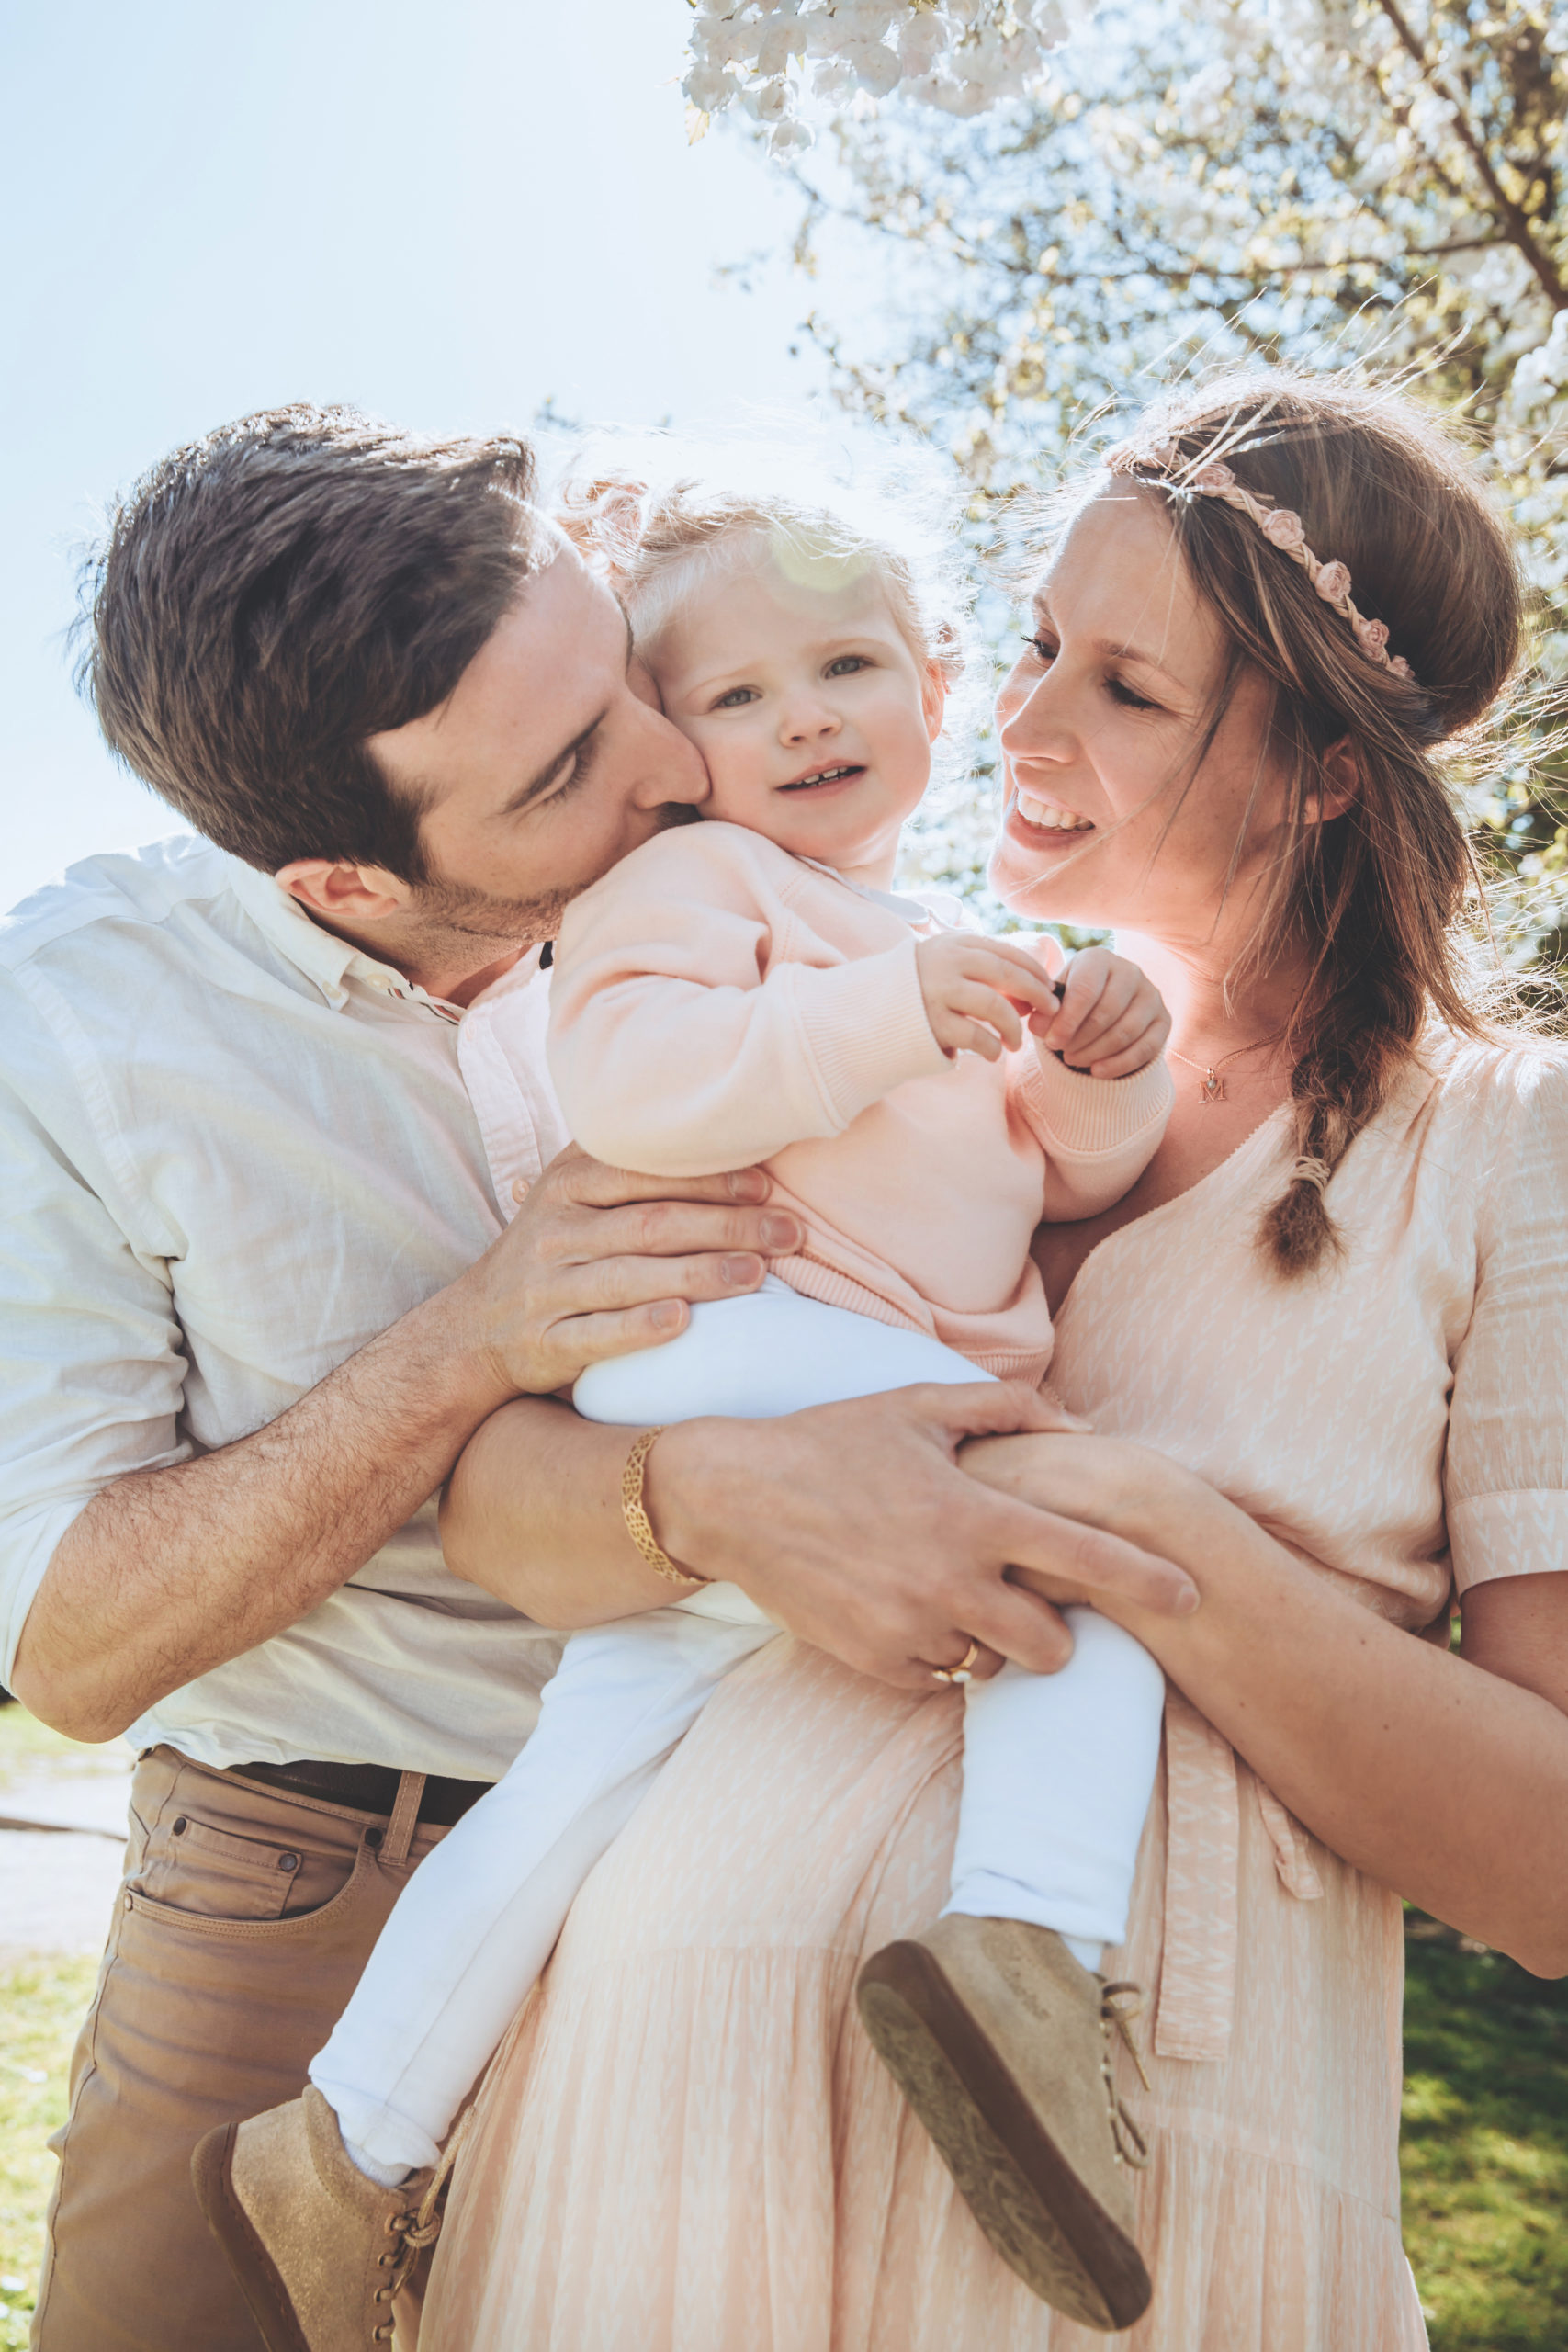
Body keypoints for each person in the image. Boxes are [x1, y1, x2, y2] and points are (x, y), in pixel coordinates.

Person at [0, 409, 1194, 2352]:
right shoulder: (83, 1029)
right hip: (328, 1866)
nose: (668, 756)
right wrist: (475, 1332)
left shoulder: (739, 854)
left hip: (743, 1825)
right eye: (573, 760)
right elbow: (68, 1641)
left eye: (627, 676)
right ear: (348, 884)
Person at [414, 369, 1568, 2352]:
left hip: (1134, 2197)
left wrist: (1127, 1533)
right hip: (641, 2121)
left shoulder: (1498, 1134)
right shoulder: (832, 1030)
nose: (1014, 722)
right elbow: (494, 1499)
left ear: (1317, 772)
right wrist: (709, 1494)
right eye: (1035, 642)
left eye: (1123, 687)